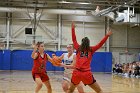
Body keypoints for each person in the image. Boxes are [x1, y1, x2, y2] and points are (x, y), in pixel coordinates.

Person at [66, 22, 112, 93]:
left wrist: (73, 29)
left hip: (77, 73)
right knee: (99, 90)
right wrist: (107, 36)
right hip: (86, 74)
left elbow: (74, 39)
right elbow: (100, 44)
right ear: (89, 43)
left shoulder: (78, 48)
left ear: (82, 42)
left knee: (70, 90)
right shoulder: (91, 49)